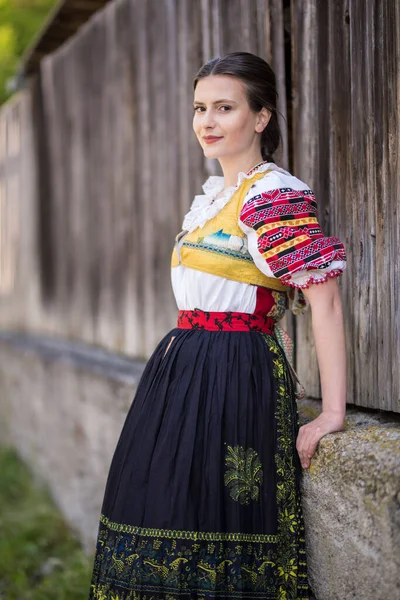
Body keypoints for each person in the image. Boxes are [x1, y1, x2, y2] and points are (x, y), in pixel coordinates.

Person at [88, 51, 347, 600]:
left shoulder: (273, 195)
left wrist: (331, 412)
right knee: (158, 506)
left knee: (217, 518)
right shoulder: (212, 198)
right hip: (180, 366)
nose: (206, 121)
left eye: (224, 107)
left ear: (260, 117)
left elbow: (323, 301)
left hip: (235, 368)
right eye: (199, 108)